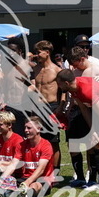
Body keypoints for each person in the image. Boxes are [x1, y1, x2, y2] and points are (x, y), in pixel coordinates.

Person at [0, 116, 56, 197]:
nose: (26, 130)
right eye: (25, 127)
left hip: (42, 179)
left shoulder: (46, 145)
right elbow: (13, 165)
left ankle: (24, 196)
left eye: (29, 128)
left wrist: (27, 183)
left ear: (38, 129)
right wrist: (1, 179)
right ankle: (17, 192)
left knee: (35, 185)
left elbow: (41, 170)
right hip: (24, 178)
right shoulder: (22, 145)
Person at [31, 40, 62, 169]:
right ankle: (41, 169)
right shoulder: (35, 69)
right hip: (36, 108)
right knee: (37, 139)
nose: (36, 55)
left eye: (38, 52)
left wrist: (60, 108)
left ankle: (55, 171)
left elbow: (64, 91)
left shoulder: (56, 70)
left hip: (51, 107)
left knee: (53, 141)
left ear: (47, 52)